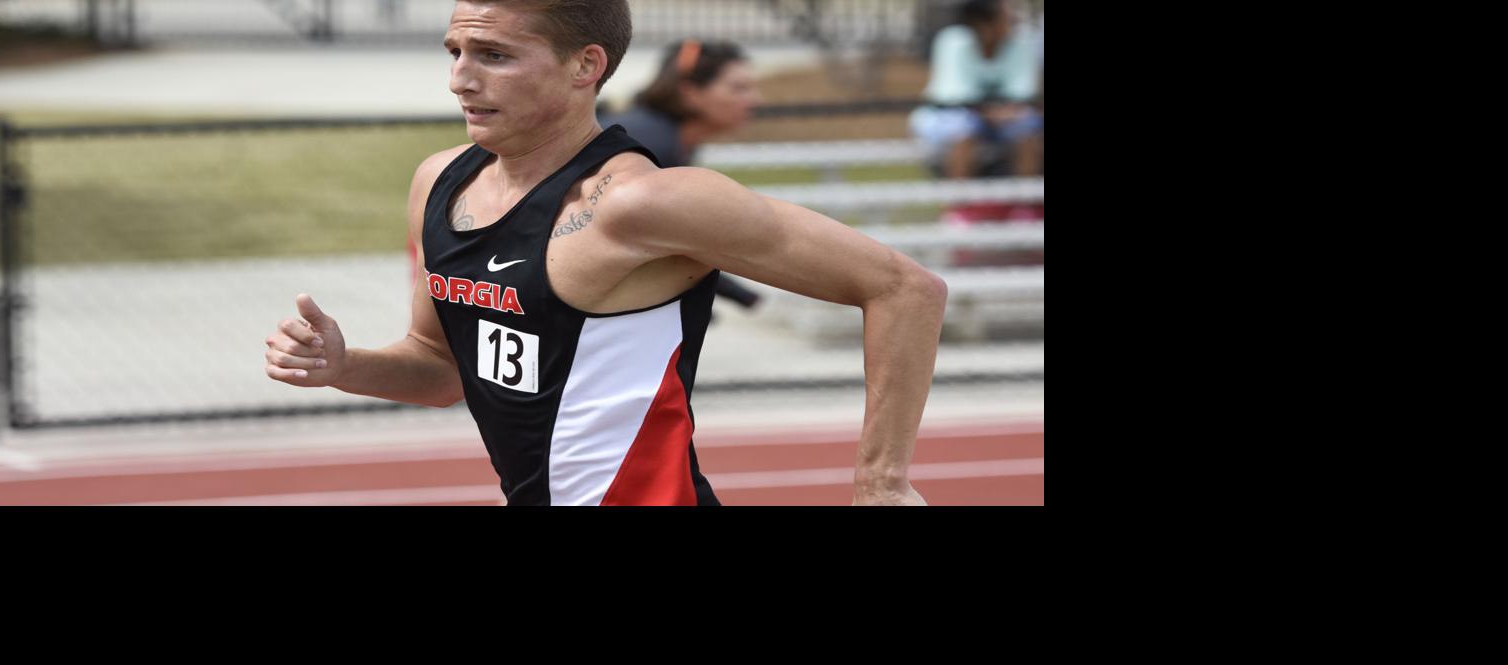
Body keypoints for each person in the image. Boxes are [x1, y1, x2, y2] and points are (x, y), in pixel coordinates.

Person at [264, 0, 945, 506]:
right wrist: (343, 365)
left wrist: (880, 484)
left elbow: (904, 289)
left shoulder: (640, 204)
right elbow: (441, 369)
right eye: (454, 52)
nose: (460, 80)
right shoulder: (438, 183)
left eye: (493, 55)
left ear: (585, 65)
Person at [604, 39, 765, 314]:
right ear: (691, 93)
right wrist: (740, 295)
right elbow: (655, 238)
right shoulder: (649, 145)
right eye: (739, 88)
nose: (756, 100)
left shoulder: (664, 136)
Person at [911, 0, 1044, 179]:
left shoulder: (1020, 43)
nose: (1014, 20)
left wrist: (1003, 113)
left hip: (1004, 118)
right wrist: (995, 112)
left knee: (1027, 127)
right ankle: (960, 202)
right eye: (1005, 16)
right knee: (963, 128)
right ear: (983, 24)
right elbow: (955, 97)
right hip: (947, 116)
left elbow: (1022, 94)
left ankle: (1025, 205)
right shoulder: (953, 41)